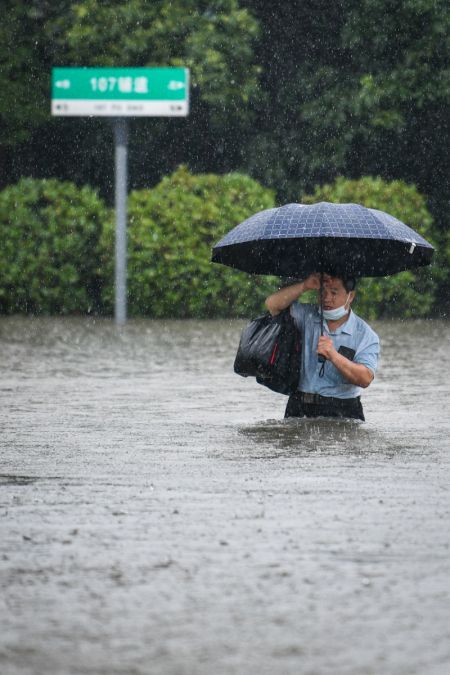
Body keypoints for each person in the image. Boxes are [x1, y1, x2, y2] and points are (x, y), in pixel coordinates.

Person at [265, 273, 380, 421]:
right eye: (322, 292)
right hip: (300, 403)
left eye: (334, 292)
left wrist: (333, 355)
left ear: (350, 296)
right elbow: (272, 305)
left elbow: (365, 379)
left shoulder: (365, 334)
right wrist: (305, 285)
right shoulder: (307, 315)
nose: (326, 298)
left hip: (343, 408)